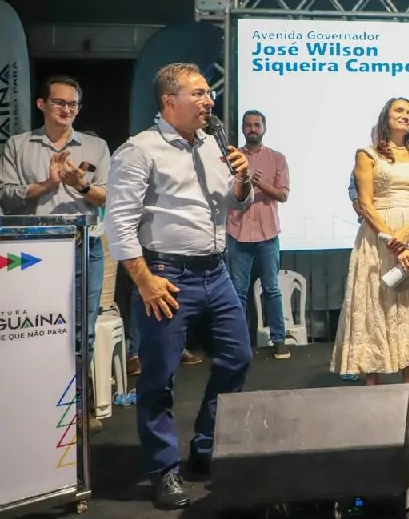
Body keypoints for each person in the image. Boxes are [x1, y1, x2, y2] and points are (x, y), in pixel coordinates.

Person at [105, 63, 253, 510]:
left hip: (216, 273)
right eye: (200, 93)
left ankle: (205, 446)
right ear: (170, 101)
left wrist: (243, 180)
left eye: (209, 93)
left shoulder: (213, 145)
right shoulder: (139, 150)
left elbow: (234, 202)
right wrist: (145, 281)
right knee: (159, 378)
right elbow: (119, 225)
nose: (210, 101)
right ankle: (164, 470)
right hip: (166, 276)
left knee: (238, 357)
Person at [329, 97, 409, 431]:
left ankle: (408, 406)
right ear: (386, 117)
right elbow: (365, 204)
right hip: (378, 241)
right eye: (399, 111)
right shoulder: (367, 154)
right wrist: (392, 240)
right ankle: (374, 406)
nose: (405, 116)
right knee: (375, 314)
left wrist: (406, 236)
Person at [0, 75, 110, 433]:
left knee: (82, 332)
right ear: (42, 104)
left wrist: (81, 185)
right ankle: (37, 406)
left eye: (73, 104)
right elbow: (6, 197)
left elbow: (110, 196)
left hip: (84, 247)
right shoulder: (18, 145)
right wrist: (48, 184)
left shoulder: (95, 146)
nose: (67, 109)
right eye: (60, 102)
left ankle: (77, 407)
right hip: (34, 251)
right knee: (35, 329)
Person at [226, 109, 292, 360]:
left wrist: (258, 183)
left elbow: (283, 195)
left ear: (264, 128)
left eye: (257, 125)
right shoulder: (231, 158)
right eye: (248, 125)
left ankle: (279, 339)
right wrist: (243, 182)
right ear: (243, 129)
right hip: (238, 232)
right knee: (238, 291)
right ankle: (238, 343)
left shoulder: (277, 158)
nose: (252, 129)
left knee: (272, 289)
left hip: (267, 233)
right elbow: (224, 192)